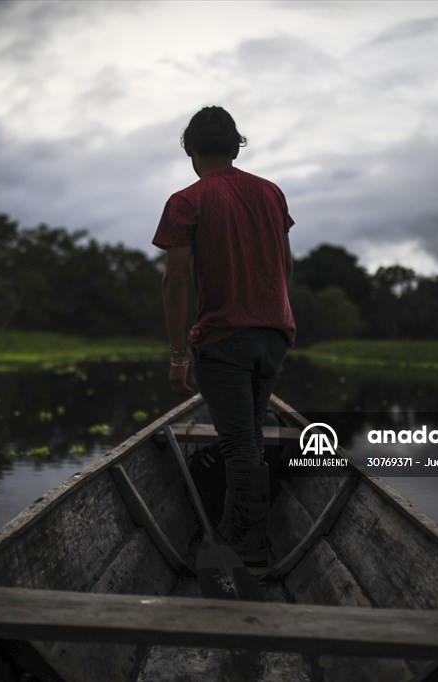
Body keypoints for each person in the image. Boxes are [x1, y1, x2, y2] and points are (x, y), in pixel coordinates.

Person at [152, 105, 295, 568]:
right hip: (274, 335)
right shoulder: (272, 194)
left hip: (223, 340)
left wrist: (178, 355)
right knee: (249, 435)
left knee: (239, 443)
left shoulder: (186, 201)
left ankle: (244, 548)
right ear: (236, 148)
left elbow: (175, 282)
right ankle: (248, 539)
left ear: (191, 151)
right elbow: (285, 268)